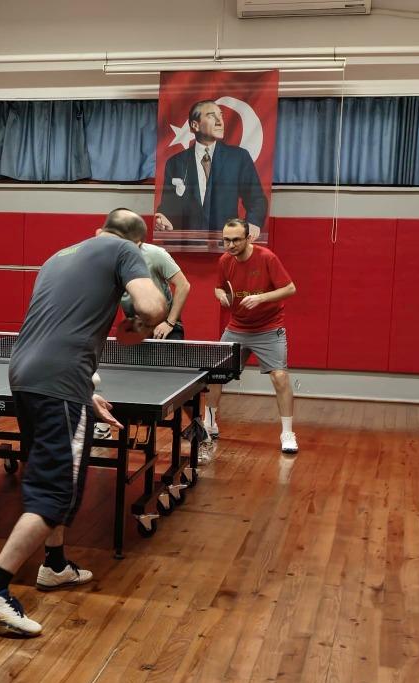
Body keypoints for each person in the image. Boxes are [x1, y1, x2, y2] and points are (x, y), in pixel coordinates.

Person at [0, 209, 167, 636]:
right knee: (56, 491)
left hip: (26, 376)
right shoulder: (124, 251)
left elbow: (57, 327)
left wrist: (84, 392)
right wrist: (147, 319)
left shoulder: (58, 257)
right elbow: (152, 305)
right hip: (58, 382)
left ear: (98, 230)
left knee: (48, 474)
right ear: (136, 243)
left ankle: (54, 565)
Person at [204, 218, 298, 454]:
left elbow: (290, 288)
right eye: (226, 240)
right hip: (237, 328)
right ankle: (210, 423)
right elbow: (219, 286)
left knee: (280, 377)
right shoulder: (225, 260)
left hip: (269, 328)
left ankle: (287, 434)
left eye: (236, 240)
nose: (230, 245)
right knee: (214, 374)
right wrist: (219, 295)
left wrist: (261, 298)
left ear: (248, 238)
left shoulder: (267, 258)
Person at [95, 242, 191, 440]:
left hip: (164, 324)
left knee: (181, 384)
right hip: (136, 325)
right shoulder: (111, 257)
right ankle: (104, 426)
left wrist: (170, 322)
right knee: (120, 375)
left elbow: (184, 285)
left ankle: (199, 428)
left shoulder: (156, 254)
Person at [154, 100, 268, 238]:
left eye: (221, 116)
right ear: (195, 125)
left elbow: (257, 199)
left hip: (227, 242)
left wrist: (253, 223)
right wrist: (163, 220)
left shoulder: (238, 157)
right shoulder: (175, 163)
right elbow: (168, 205)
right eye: (212, 116)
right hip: (187, 244)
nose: (220, 122)